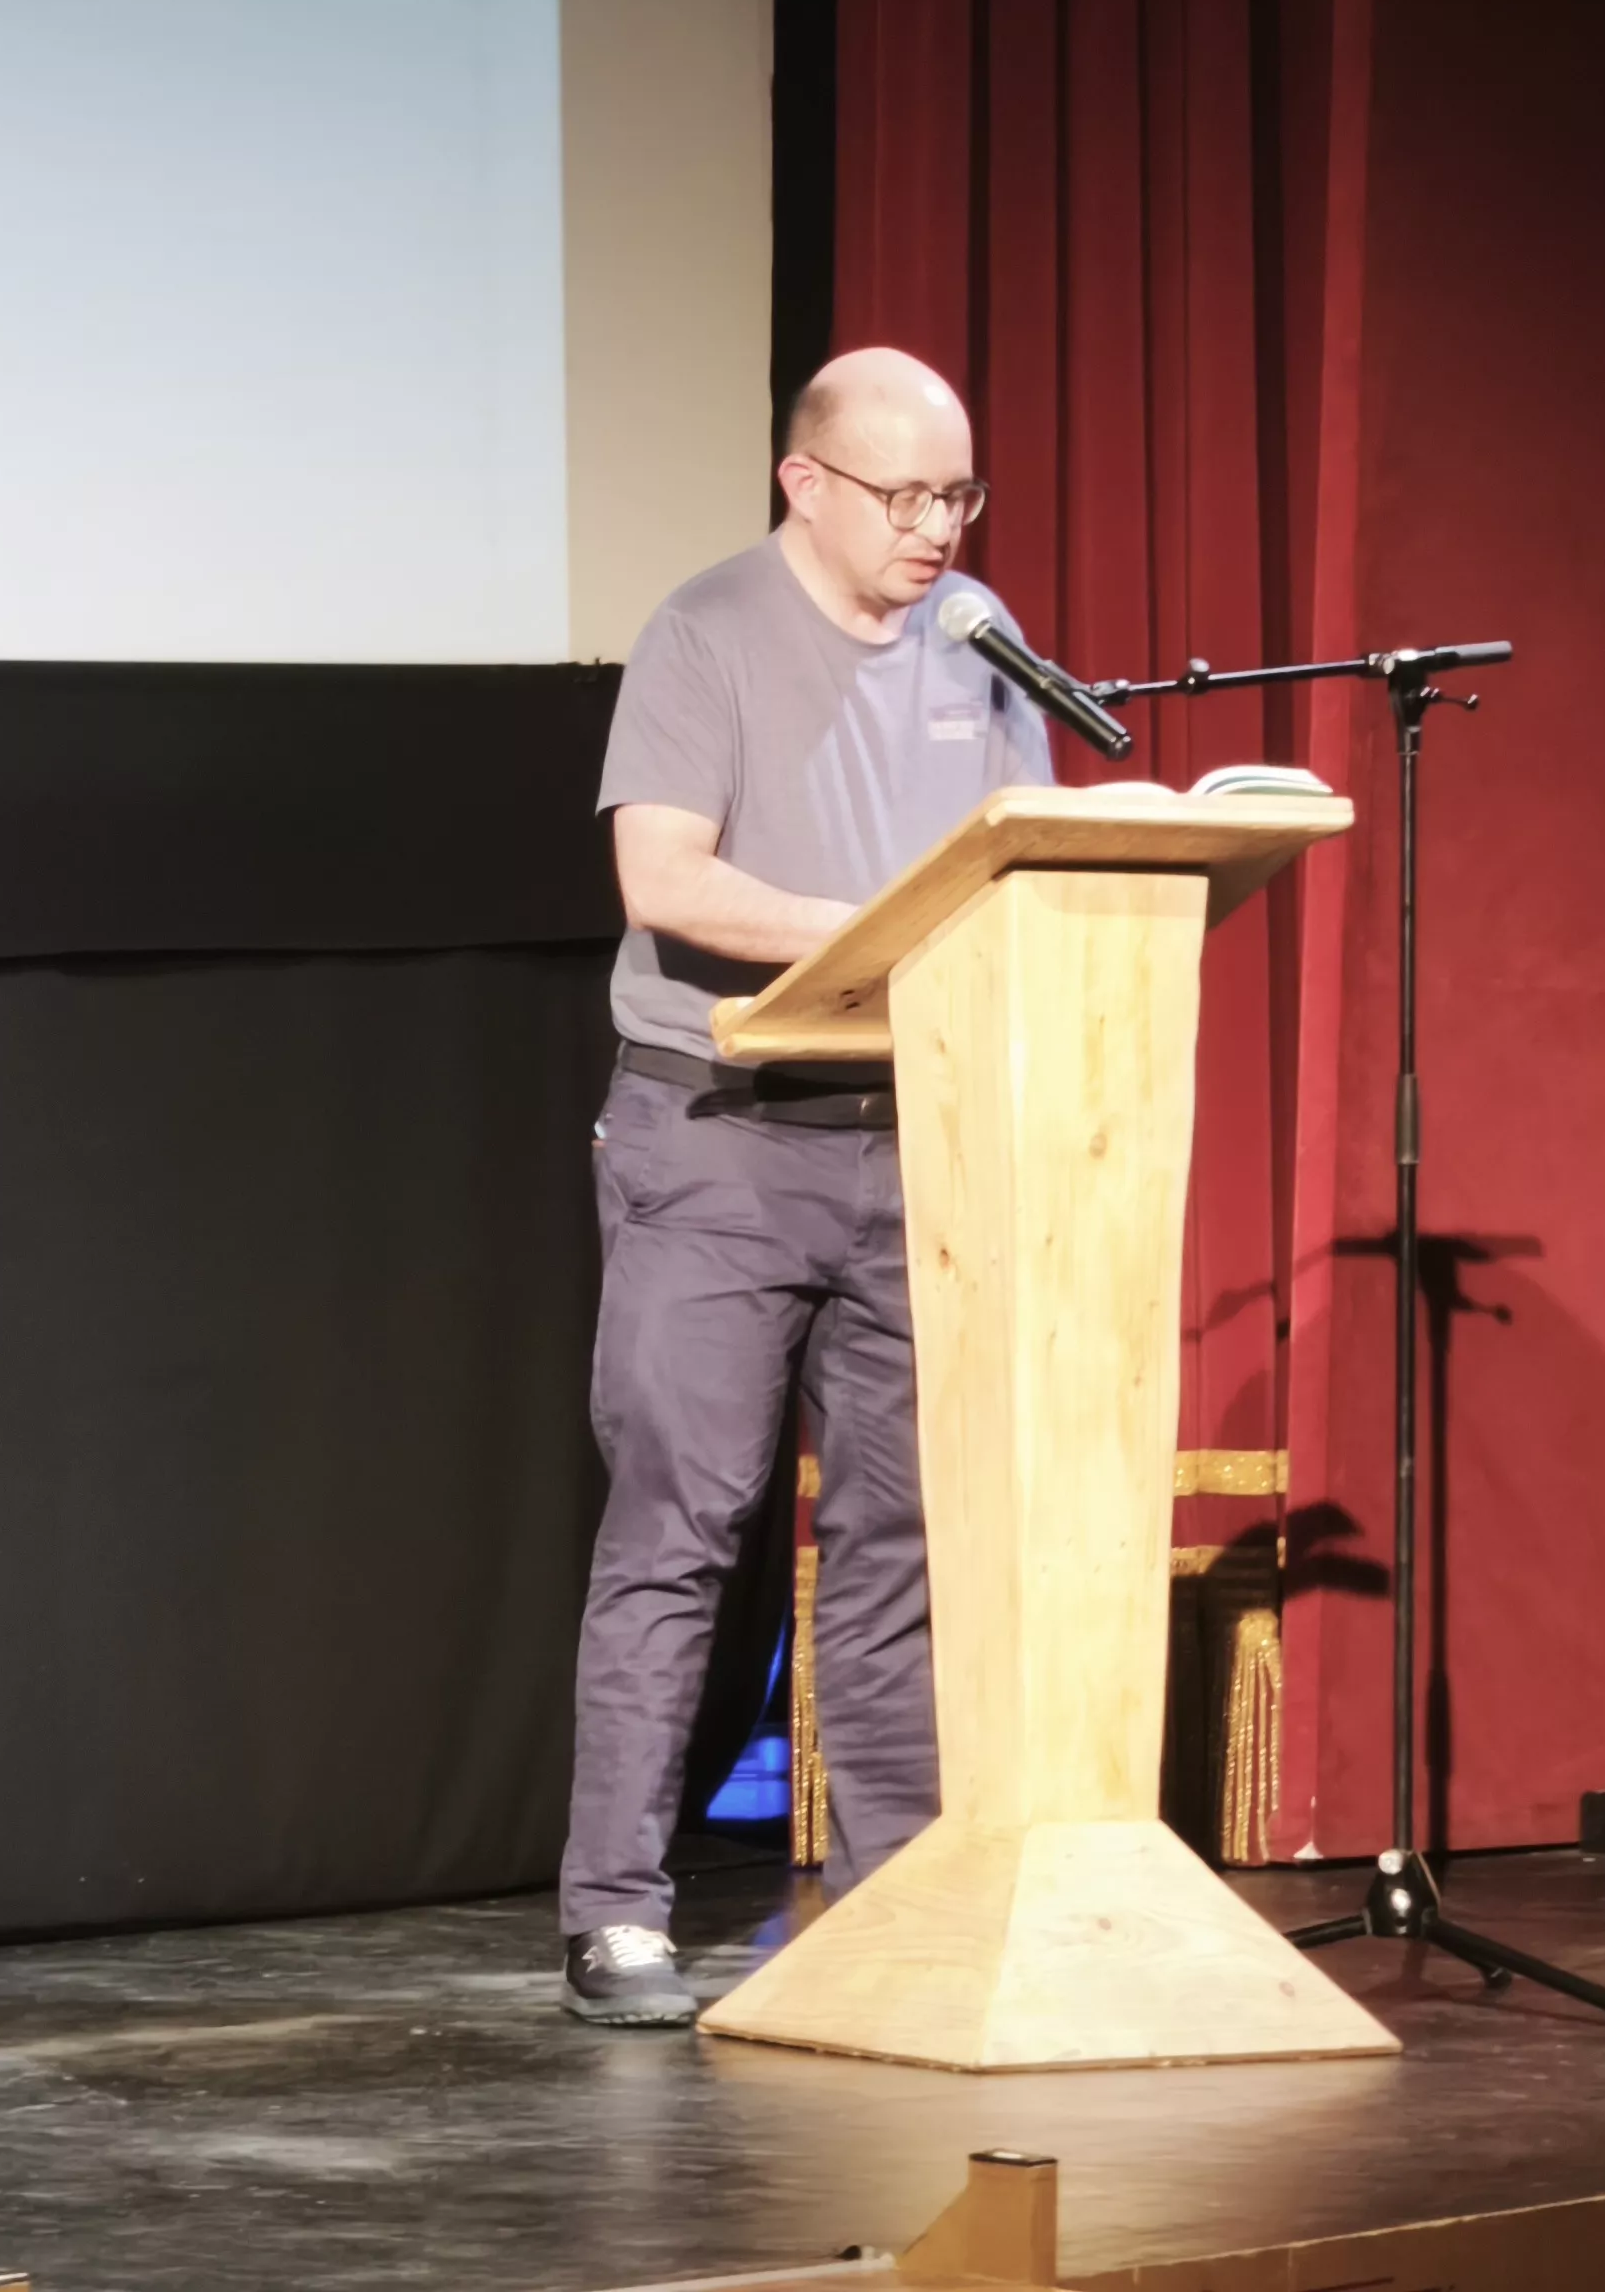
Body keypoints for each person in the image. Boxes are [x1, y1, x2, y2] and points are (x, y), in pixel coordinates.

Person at [558, 347, 1057, 2026]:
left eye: (958, 495)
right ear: (806, 483)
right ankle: (616, 1911)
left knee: (901, 1538)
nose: (936, 529)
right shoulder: (703, 633)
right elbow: (664, 875)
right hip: (720, 1135)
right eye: (905, 495)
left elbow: (1027, 861)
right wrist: (883, 934)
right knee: (683, 1527)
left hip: (914, 1136)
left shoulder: (978, 637)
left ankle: (898, 1895)